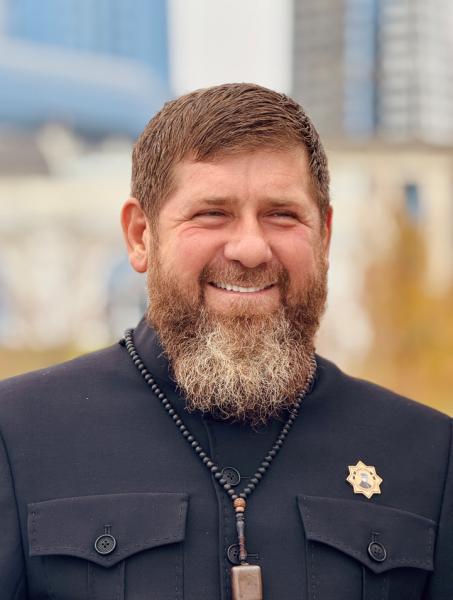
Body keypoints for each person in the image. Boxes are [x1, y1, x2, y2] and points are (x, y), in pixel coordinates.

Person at [0, 83, 452, 600]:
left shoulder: (429, 456)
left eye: (282, 214)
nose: (251, 248)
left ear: (324, 236)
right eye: (211, 213)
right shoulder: (17, 437)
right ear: (140, 235)